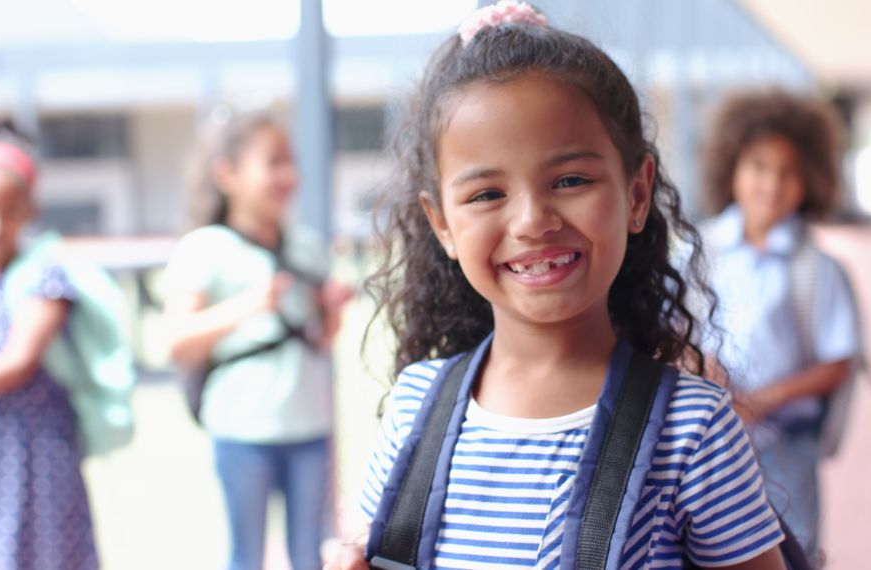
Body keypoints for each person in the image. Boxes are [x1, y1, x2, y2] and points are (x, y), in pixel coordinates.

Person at [327, 3, 787, 569]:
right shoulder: (414, 408)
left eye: (570, 180)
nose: (531, 221)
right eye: (486, 194)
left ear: (637, 195)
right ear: (442, 224)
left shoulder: (691, 428)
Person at [163, 107, 352, 570]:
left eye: (290, 161)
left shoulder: (307, 246)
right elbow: (178, 340)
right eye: (273, 162)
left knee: (313, 551)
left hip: (309, 421)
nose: (288, 174)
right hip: (241, 427)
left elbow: (320, 341)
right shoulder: (204, 248)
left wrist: (331, 312)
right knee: (245, 555)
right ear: (226, 174)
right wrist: (247, 307)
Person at [695, 89, 860, 564]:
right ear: (731, 170)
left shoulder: (816, 266)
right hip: (712, 434)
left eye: (789, 172)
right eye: (759, 168)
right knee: (715, 543)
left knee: (795, 542)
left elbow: (837, 363)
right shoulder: (698, 251)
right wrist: (700, 365)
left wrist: (764, 401)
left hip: (787, 438)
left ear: (811, 180)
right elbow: (671, 328)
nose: (773, 183)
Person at [0, 123, 100, 569]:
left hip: (36, 455)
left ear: (28, 210)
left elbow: (18, 361)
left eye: (6, 211)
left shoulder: (44, 277)